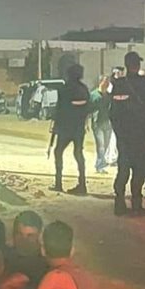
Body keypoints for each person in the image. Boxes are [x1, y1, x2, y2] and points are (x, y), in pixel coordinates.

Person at [109, 52, 145, 217]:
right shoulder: (143, 83)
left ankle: (119, 204)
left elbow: (114, 113)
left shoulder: (119, 84)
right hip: (141, 134)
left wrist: (119, 133)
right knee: (139, 170)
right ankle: (136, 205)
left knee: (124, 169)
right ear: (136, 65)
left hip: (125, 135)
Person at [51, 64, 90, 194]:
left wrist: (56, 126)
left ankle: (58, 183)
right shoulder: (84, 89)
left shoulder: (65, 89)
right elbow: (87, 108)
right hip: (79, 127)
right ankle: (82, 184)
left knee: (58, 152)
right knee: (78, 154)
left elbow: (60, 109)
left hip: (66, 127)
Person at [91, 70, 117, 173]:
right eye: (105, 81)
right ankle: (100, 165)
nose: (107, 83)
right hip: (97, 123)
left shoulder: (109, 96)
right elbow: (88, 109)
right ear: (100, 82)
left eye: (108, 82)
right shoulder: (93, 95)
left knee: (105, 145)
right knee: (101, 146)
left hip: (107, 123)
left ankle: (100, 163)